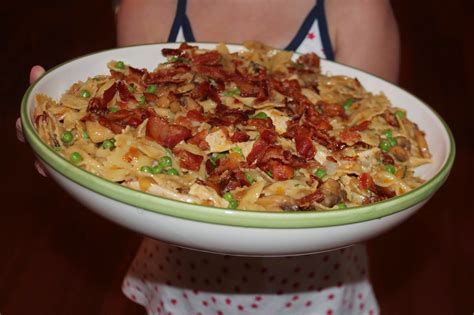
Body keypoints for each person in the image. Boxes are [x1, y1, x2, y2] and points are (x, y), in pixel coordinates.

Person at [22, 0, 400, 314]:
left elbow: (380, 145)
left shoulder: (357, 8)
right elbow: (124, 128)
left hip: (319, 292)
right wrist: (67, 146)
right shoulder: (151, 5)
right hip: (178, 283)